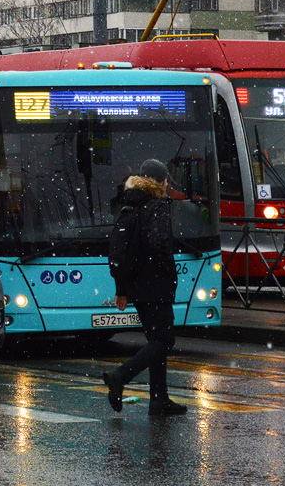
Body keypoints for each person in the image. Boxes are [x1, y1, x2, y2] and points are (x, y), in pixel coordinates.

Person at [101, 158, 188, 417]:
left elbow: (120, 250)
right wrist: (170, 275)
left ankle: (159, 400)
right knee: (164, 341)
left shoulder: (129, 205)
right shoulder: (156, 205)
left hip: (137, 287)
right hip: (155, 284)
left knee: (155, 340)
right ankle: (120, 375)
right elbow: (160, 246)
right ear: (161, 182)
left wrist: (122, 288)